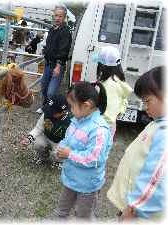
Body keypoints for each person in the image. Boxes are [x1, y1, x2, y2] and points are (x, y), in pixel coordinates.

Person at [107, 66, 166, 221]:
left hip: (139, 213)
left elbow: (156, 177)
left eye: (147, 101)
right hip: (133, 206)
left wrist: (134, 209)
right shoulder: (158, 123)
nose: (145, 107)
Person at [52, 81, 113, 220]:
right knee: (61, 212)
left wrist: (69, 154)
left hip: (87, 185)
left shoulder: (99, 130)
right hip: (71, 179)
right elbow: (67, 140)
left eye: (72, 106)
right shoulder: (77, 120)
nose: (70, 110)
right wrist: (60, 150)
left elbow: (94, 158)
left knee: (84, 217)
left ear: (86, 105)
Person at [20, 95, 73, 165]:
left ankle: (60, 162)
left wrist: (59, 148)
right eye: (49, 109)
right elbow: (38, 128)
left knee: (58, 152)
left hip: (59, 142)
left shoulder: (69, 122)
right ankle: (43, 157)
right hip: (46, 137)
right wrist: (29, 138)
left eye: (53, 112)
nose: (49, 113)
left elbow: (69, 141)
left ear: (62, 112)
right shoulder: (47, 114)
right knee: (37, 143)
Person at [92, 46, 133, 137]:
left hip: (102, 127)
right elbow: (123, 101)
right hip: (110, 125)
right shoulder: (117, 80)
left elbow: (107, 115)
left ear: (103, 66)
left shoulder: (110, 85)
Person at [39, 5, 72, 112]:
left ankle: (51, 109)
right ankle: (45, 106)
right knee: (43, 87)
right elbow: (48, 45)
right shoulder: (52, 29)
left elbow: (64, 50)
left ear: (64, 17)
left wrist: (58, 66)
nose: (57, 18)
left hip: (57, 65)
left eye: (60, 16)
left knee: (51, 92)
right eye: (56, 16)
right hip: (48, 64)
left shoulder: (66, 31)